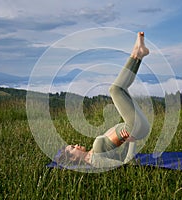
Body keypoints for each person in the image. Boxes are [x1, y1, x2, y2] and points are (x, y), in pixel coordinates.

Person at [55, 32, 150, 168]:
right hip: (134, 128)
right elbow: (126, 164)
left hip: (134, 126)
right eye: (72, 148)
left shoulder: (92, 154)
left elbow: (119, 156)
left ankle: (138, 55)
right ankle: (137, 54)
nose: (75, 145)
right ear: (74, 158)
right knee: (115, 90)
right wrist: (132, 141)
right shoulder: (94, 161)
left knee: (122, 88)